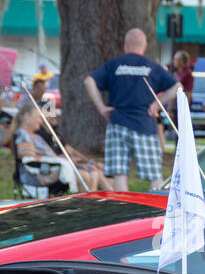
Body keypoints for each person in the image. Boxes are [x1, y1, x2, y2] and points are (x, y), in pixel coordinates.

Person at [83, 28, 178, 191]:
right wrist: (157, 103)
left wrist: (101, 107)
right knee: (155, 175)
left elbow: (89, 81)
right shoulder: (152, 66)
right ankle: (157, 212)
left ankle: (122, 210)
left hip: (118, 124)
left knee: (120, 175)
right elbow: (177, 87)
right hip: (145, 125)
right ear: (145, 45)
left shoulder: (114, 64)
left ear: (126, 45)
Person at [12, 103, 110, 193]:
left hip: (53, 168)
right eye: (38, 117)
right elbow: (29, 159)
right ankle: (86, 206)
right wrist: (58, 160)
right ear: (27, 117)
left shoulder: (36, 137)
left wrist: (73, 162)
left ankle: (89, 205)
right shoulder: (23, 136)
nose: (40, 121)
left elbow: (53, 156)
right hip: (41, 174)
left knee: (90, 174)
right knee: (84, 175)